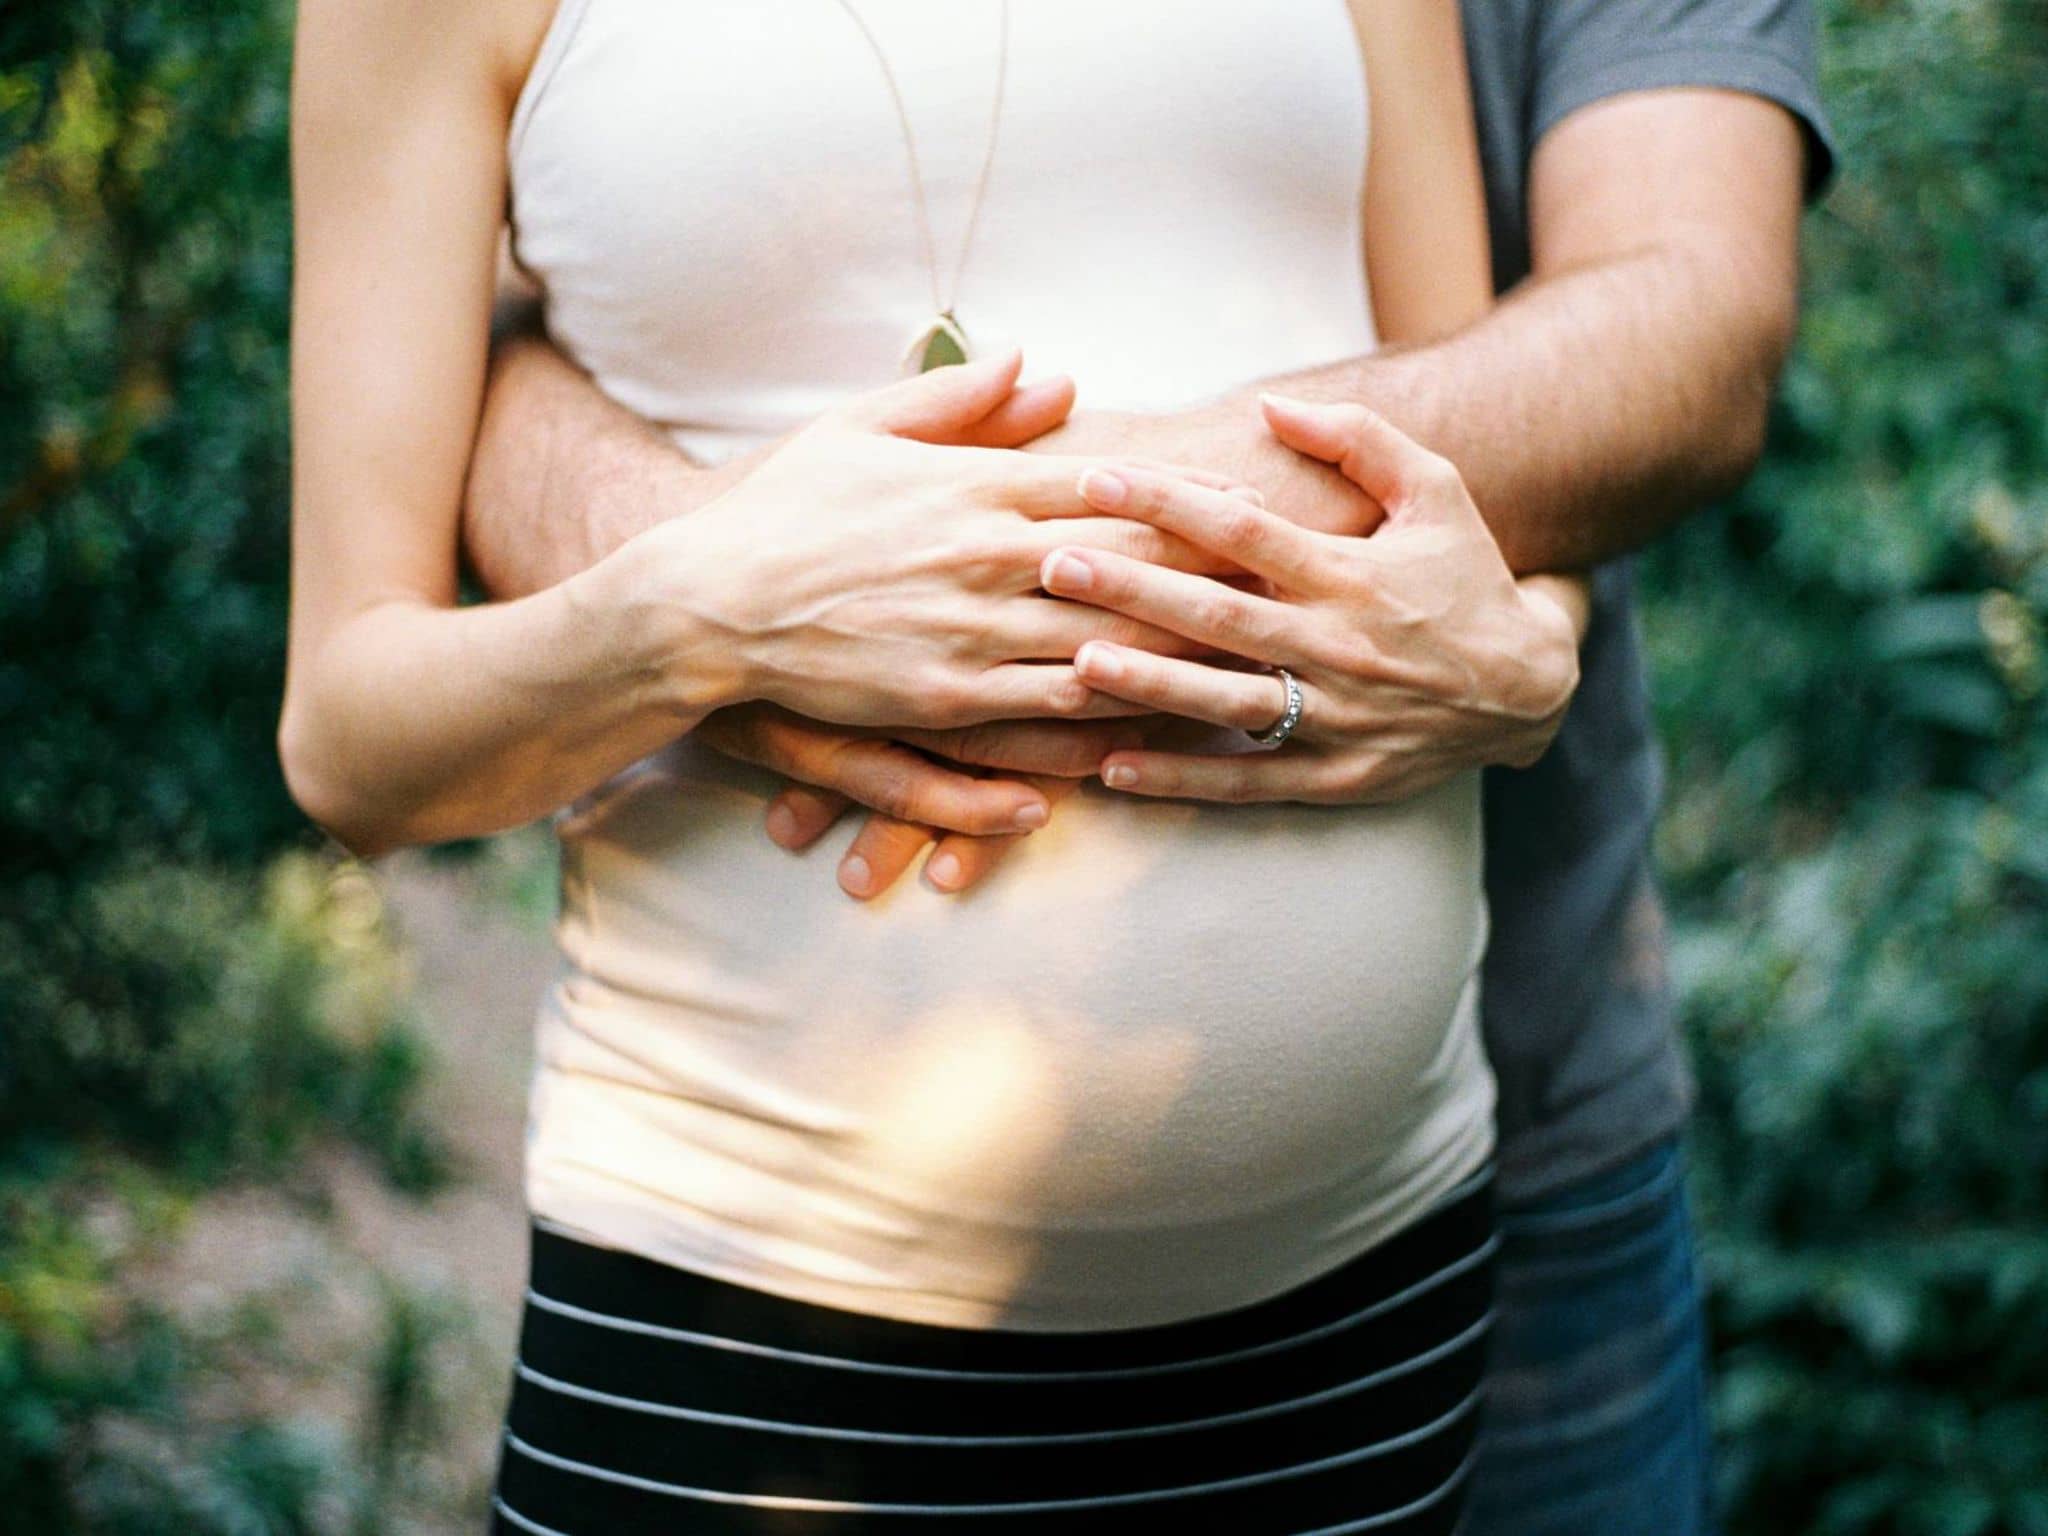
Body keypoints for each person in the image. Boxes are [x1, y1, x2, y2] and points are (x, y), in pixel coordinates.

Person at [462, 4, 1841, 1532]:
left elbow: (1686, 321)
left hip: (1470, 1149)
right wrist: (714, 585)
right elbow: (496, 300)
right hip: (760, 1244)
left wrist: (1036, 542)